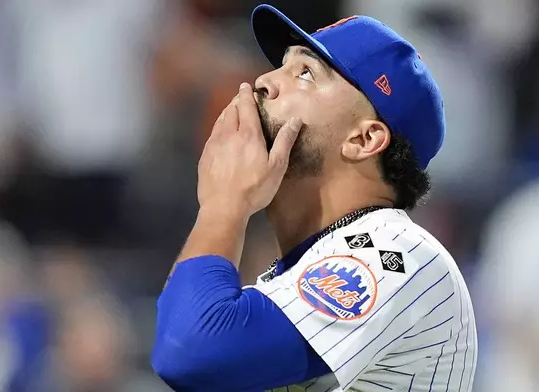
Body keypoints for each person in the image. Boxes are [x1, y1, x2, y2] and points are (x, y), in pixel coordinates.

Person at [151, 4, 477, 392]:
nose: (264, 81)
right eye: (281, 66)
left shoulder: (397, 253)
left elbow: (187, 354)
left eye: (305, 73)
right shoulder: (291, 275)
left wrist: (224, 206)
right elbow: (181, 344)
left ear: (364, 139)